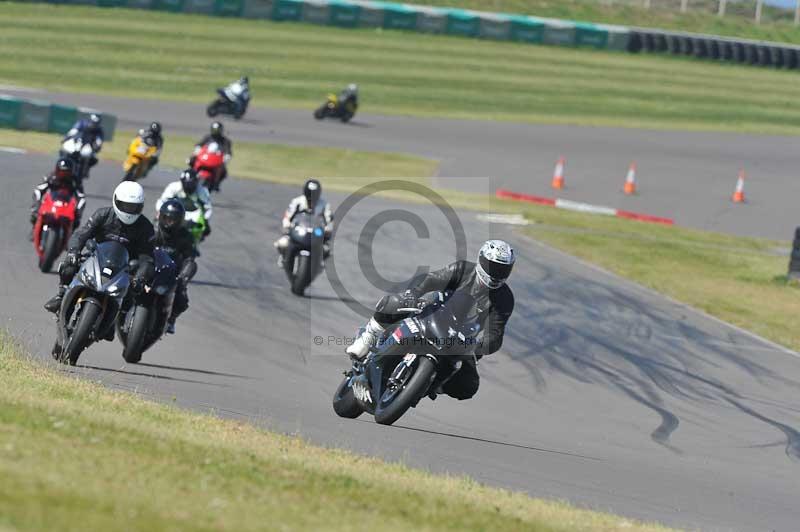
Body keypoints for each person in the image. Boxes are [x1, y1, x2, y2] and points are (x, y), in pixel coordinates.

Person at [345, 240, 516, 401]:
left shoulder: (505, 299)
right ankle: (366, 340)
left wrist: (479, 347)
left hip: (460, 340)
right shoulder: (463, 269)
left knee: (469, 385)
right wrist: (415, 293)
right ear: (481, 260)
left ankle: (433, 384)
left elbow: (495, 333)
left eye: (502, 270)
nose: (496, 274)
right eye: (493, 267)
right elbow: (432, 279)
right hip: (432, 313)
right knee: (395, 302)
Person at [43, 182, 156, 330]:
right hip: (96, 258)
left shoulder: (146, 228)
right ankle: (61, 294)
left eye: (133, 207)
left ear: (140, 207)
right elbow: (81, 234)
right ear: (116, 200)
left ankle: (116, 319)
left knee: (134, 291)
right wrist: (74, 251)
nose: (129, 211)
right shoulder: (103, 214)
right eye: (125, 205)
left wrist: (140, 277)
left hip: (125, 268)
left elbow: (147, 258)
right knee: (69, 266)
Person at [154, 199, 197, 334]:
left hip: (172, 275)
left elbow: (190, 259)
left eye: (172, 220)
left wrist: (183, 278)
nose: (168, 222)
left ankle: (171, 320)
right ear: (160, 216)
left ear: (179, 221)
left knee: (182, 300)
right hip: (150, 269)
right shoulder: (152, 230)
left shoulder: (186, 237)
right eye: (166, 218)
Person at [273, 179, 333, 268]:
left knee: (326, 249)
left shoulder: (324, 205)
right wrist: (287, 222)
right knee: (282, 243)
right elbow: (288, 214)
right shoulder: (297, 201)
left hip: (315, 231)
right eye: (309, 197)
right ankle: (284, 256)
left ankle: (320, 261)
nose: (311, 200)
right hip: (298, 228)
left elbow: (329, 218)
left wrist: (328, 227)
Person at [29, 158, 86, 239]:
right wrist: (36, 206)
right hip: (51, 201)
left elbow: (81, 197)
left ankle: (70, 236)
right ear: (57, 170)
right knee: (34, 215)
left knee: (76, 221)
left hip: (67, 204)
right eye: (61, 171)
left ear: (71, 172)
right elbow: (38, 191)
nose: (63, 175)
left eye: (66, 172)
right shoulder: (50, 177)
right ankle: (35, 228)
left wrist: (78, 212)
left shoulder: (75, 181)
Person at [155, 169, 212, 241]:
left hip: (194, 214)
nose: (188, 186)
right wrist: (159, 212)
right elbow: (162, 200)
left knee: (202, 230)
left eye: (191, 184)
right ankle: (158, 238)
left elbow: (208, 208)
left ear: (196, 182)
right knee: (159, 222)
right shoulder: (173, 186)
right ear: (181, 181)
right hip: (174, 212)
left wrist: (206, 220)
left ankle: (192, 245)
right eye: (186, 183)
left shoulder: (202, 190)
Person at [190, 122, 232, 191]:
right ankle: (190, 177)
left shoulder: (225, 141)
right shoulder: (208, 137)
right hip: (204, 157)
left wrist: (226, 157)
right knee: (191, 161)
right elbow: (199, 145)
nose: (215, 132)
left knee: (224, 172)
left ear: (221, 130)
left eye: (217, 130)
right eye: (214, 130)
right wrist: (197, 150)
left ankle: (216, 183)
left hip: (216, 160)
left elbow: (228, 151)